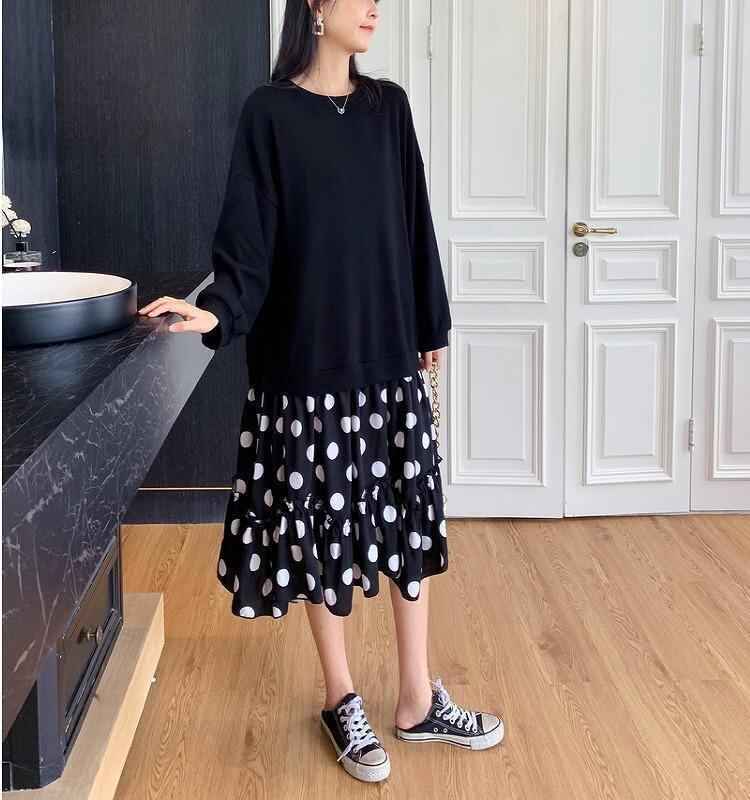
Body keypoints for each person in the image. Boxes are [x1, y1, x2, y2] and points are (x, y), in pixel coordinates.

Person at [137, 0, 504, 783]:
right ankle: (341, 697)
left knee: (408, 526)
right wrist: (216, 311)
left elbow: (413, 223)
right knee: (320, 536)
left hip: (387, 358)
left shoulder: (388, 108)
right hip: (304, 369)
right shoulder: (269, 114)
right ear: (313, 4)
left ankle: (416, 699)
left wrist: (430, 323)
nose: (373, 6)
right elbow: (248, 243)